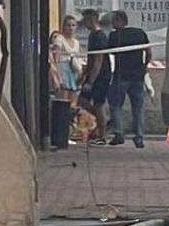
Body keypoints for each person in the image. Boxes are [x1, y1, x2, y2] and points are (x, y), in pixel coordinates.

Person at [107, 10, 151, 148]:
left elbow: (111, 52)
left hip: (121, 76)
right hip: (138, 76)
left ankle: (119, 134)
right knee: (138, 108)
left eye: (113, 21)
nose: (112, 24)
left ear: (120, 21)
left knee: (115, 105)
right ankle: (139, 137)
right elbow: (148, 52)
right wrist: (144, 66)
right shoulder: (140, 33)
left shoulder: (115, 36)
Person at [78, 9, 110, 144]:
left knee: (98, 104)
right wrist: (84, 75)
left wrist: (91, 81)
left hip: (100, 75)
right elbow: (91, 59)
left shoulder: (99, 36)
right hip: (92, 74)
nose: (84, 23)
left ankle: (102, 135)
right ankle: (103, 121)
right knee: (82, 101)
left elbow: (98, 60)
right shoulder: (92, 35)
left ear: (92, 19)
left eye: (85, 20)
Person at [48, 15, 84, 103]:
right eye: (68, 25)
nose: (71, 28)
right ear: (64, 26)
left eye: (73, 25)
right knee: (63, 99)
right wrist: (57, 76)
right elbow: (55, 59)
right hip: (62, 69)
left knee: (73, 100)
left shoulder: (76, 42)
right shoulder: (60, 39)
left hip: (73, 70)